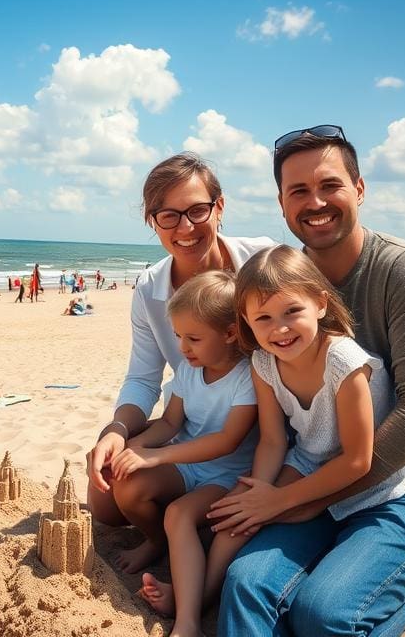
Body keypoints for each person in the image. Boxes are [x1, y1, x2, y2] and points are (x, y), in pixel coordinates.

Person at [213, 126, 405, 636]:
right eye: (298, 191)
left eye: (330, 185)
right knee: (246, 584)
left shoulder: (403, 268)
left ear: (360, 188)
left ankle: (401, 592)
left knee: (323, 613)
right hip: (312, 479)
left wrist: (302, 500)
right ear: (282, 205)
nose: (316, 202)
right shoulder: (287, 286)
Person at [147, 246, 405, 631]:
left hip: (366, 484)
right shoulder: (264, 363)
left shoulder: (344, 363)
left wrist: (279, 500)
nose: (280, 329)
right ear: (247, 325)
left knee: (260, 516)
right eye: (263, 318)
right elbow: (271, 441)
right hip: (305, 461)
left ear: (320, 303)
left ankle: (199, 595)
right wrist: (258, 494)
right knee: (238, 516)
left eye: (292, 312)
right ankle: (199, 598)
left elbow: (358, 460)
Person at [86, 152, 275, 530]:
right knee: (106, 501)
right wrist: (118, 431)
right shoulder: (149, 289)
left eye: (197, 211)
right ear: (152, 222)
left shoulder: (261, 262)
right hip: (195, 424)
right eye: (168, 216)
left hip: (265, 427)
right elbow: (143, 379)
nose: (185, 227)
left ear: (219, 207)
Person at [109, 271, 258, 636]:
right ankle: (157, 541)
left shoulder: (247, 377)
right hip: (187, 466)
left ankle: (187, 621)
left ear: (230, 333)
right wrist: (138, 446)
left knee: (179, 513)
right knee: (127, 484)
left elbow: (227, 441)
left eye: (193, 338)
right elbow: (170, 423)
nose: (183, 348)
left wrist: (158, 457)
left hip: (226, 476)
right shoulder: (189, 372)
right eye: (178, 337)